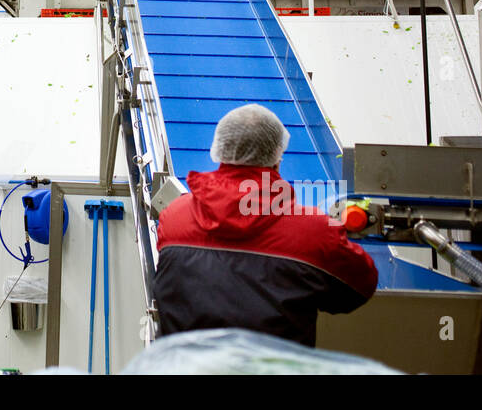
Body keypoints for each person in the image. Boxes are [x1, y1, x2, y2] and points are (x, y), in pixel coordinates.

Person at [154, 104, 377, 347]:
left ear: (220, 151)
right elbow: (358, 289)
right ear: (277, 159)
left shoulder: (173, 217)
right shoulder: (315, 232)